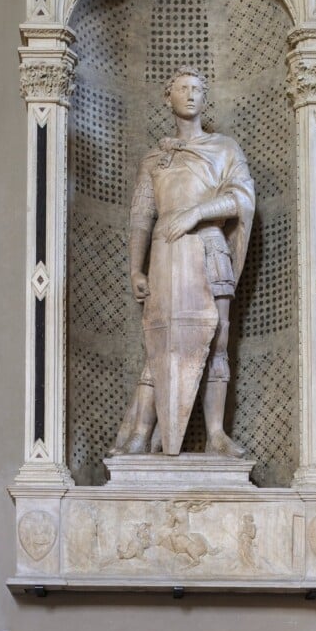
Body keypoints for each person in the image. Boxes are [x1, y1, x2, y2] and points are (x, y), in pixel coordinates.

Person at [111, 67, 254, 457]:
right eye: (183, 89)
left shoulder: (224, 148)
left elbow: (241, 199)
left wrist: (196, 213)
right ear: (167, 95)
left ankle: (216, 435)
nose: (191, 95)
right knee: (160, 343)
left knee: (217, 340)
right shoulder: (155, 158)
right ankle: (141, 434)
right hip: (165, 254)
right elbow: (142, 215)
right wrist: (135, 269)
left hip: (209, 249)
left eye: (197, 89)